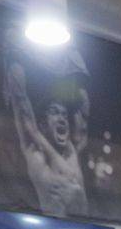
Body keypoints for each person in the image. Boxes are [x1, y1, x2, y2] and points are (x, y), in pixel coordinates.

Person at [5, 60, 88, 218]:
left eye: (64, 114)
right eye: (55, 113)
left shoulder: (73, 151)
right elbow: (20, 101)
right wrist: (14, 56)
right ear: (42, 124)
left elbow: (84, 111)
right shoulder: (35, 152)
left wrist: (76, 68)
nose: (62, 118)